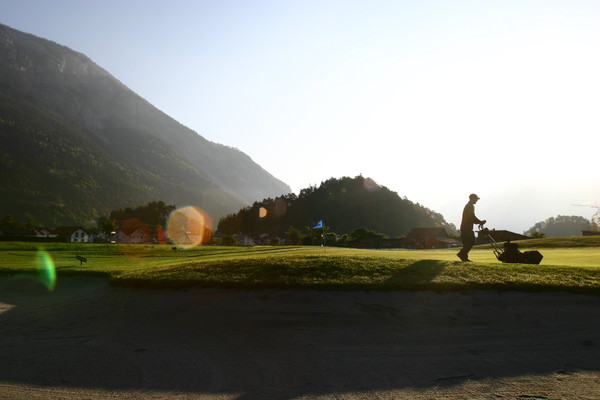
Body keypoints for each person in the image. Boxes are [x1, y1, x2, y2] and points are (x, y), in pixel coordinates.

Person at [457, 193, 486, 262]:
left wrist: (479, 222)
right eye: (476, 199)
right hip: (466, 228)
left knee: (468, 242)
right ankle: (462, 254)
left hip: (466, 227)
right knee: (470, 241)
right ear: (472, 199)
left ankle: (464, 257)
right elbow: (471, 217)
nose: (476, 200)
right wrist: (480, 222)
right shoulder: (470, 206)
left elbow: (472, 217)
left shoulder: (469, 206)